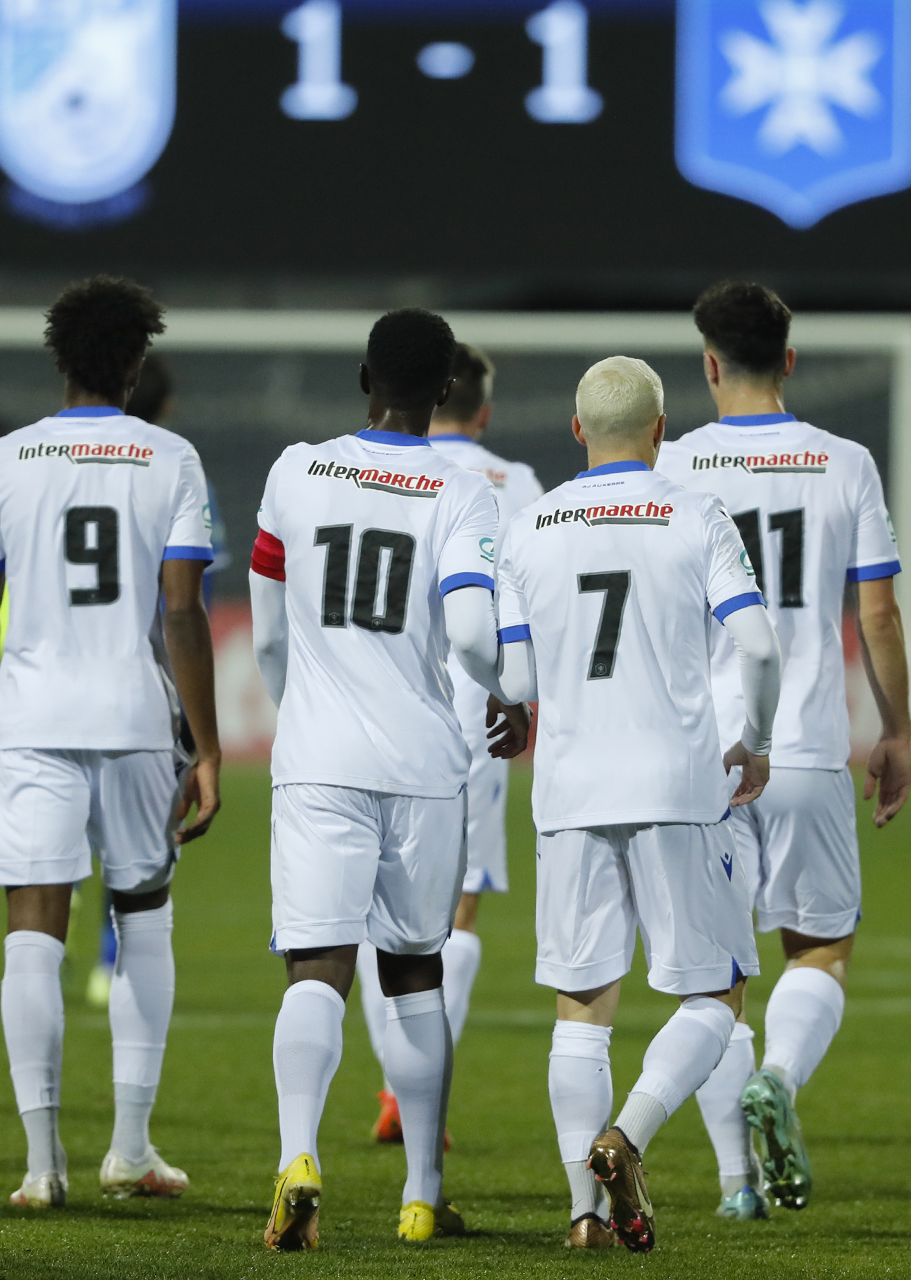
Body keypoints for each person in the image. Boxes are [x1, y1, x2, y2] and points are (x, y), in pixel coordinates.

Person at [248, 308, 528, 1250]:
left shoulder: (296, 470)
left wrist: (301, 714)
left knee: (316, 966)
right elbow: (471, 635)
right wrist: (508, 693)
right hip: (422, 762)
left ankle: (298, 1158)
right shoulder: (463, 491)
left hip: (318, 759)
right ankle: (420, 1194)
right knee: (413, 972)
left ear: (364, 377)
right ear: (446, 390)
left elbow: (269, 631)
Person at [491, 356, 781, 1251]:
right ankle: (628, 1135)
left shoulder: (529, 525)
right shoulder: (696, 512)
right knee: (717, 997)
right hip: (675, 786)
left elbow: (516, 679)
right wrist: (757, 742)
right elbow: (759, 647)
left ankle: (584, 1214)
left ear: (577, 429)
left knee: (581, 1009)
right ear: (660, 430)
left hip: (569, 789)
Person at [0, 275, 222, 1208]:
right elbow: (182, 613)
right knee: (142, 917)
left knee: (34, 930)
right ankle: (131, 1149)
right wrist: (208, 748)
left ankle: (41, 1166)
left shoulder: (3, 460)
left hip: (31, 718)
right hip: (133, 718)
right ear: (137, 365)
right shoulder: (172, 458)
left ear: (59, 359)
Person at [655, 281, 911, 1218]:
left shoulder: (672, 464)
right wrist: (898, 729)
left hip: (704, 757)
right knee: (820, 948)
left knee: (716, 979)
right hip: (804, 746)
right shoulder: (846, 462)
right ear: (790, 360)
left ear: (709, 364)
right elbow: (876, 614)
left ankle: (738, 1185)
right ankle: (783, 1079)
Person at [358, 341, 543, 1145]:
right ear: (484, 411)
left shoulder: (370, 470)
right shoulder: (516, 483)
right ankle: (415, 1091)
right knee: (459, 906)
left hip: (376, 703)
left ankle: (393, 1085)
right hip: (477, 709)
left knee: (375, 903)